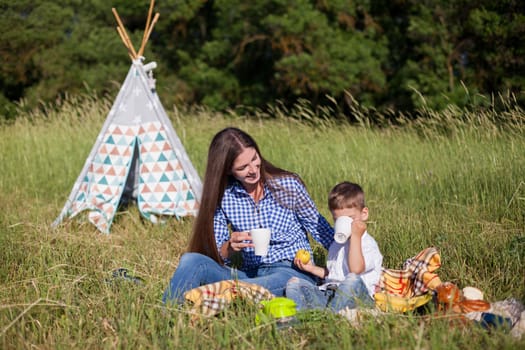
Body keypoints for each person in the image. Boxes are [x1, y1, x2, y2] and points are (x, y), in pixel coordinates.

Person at [163, 127, 334, 304]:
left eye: (254, 159)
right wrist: (230, 247)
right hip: (250, 272)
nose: (253, 169)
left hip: (291, 270)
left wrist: (352, 259)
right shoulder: (225, 196)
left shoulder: (288, 185)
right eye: (243, 167)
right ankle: (169, 310)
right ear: (228, 170)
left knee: (259, 284)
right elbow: (217, 252)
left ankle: (220, 294)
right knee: (192, 260)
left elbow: (320, 229)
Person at [285, 181, 383, 312]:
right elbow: (333, 274)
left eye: (350, 218)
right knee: (294, 284)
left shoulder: (367, 243)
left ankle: (330, 316)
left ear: (364, 214)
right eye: (338, 220)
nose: (343, 224)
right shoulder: (337, 244)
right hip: (330, 294)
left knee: (351, 280)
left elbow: (356, 270)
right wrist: (311, 268)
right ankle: (298, 316)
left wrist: (355, 237)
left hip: (358, 296)